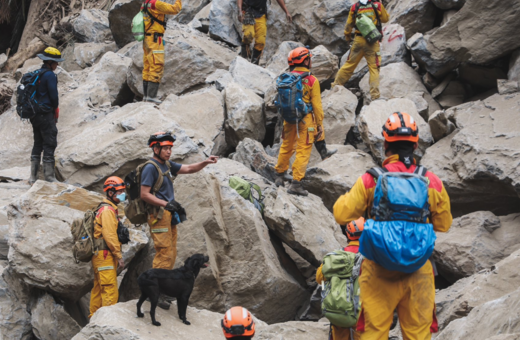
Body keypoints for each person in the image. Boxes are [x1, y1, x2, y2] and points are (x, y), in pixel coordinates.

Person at [333, 112, 453, 339]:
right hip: (419, 270)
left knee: (373, 332)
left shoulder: (372, 178)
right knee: (418, 334)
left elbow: (341, 214)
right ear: (416, 144)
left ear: (386, 144)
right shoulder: (431, 180)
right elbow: (444, 224)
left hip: (378, 269)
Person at [140, 132, 218, 308]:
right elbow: (144, 194)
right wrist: (165, 204)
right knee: (164, 253)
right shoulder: (150, 168)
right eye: (165, 148)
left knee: (172, 252)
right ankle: (156, 291)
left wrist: (205, 162)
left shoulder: (166, 164)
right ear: (156, 148)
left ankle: (163, 290)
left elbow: (189, 169)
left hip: (168, 215)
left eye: (170, 148)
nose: (168, 152)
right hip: (158, 215)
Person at [273, 47, 324, 196]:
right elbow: (317, 106)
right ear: (306, 60)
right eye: (310, 58)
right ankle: (296, 183)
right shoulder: (311, 80)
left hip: (289, 118)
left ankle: (279, 174)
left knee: (287, 145)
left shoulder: (287, 78)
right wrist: (319, 124)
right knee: (303, 149)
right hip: (305, 119)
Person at [316, 217, 365, 340]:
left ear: (347, 234)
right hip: (362, 316)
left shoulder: (336, 256)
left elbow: (319, 278)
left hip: (338, 311)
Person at [331, 0, 389, 100]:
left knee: (349, 64)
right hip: (372, 41)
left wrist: (348, 38)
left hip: (358, 40)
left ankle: (335, 86)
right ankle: (375, 96)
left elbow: (348, 26)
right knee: (374, 68)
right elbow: (385, 19)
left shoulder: (355, 7)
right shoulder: (377, 5)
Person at [89, 176, 126, 318]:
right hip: (105, 255)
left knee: (99, 290)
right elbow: (110, 236)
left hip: (100, 255)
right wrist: (119, 256)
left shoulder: (105, 208)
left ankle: (94, 319)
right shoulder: (107, 211)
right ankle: (107, 321)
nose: (123, 194)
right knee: (110, 290)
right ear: (110, 193)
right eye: (120, 191)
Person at [29, 47, 64, 185]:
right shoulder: (49, 75)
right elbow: (53, 96)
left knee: (38, 142)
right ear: (49, 62)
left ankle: (33, 177)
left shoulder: (37, 73)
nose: (57, 65)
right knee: (49, 142)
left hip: (35, 114)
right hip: (46, 113)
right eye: (56, 62)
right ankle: (49, 177)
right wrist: (55, 108)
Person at [141, 0, 182, 104]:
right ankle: (151, 96)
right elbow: (175, 9)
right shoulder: (156, 4)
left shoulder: (145, 3)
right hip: (155, 39)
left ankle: (146, 96)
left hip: (146, 39)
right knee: (156, 65)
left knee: (148, 66)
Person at [237, 0, 292, 65]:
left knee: (261, 42)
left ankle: (255, 63)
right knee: (248, 35)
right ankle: (244, 59)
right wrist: (239, 10)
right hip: (248, 11)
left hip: (261, 14)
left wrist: (287, 12)